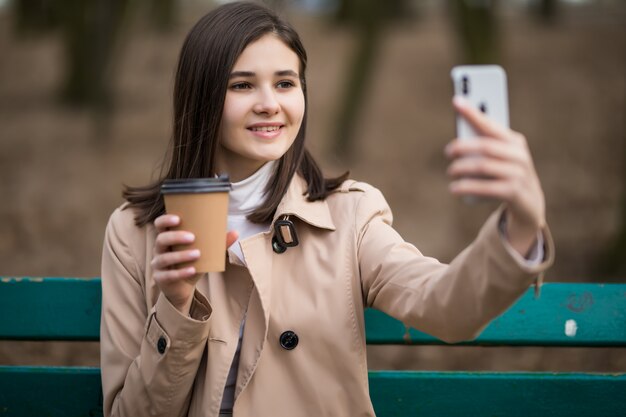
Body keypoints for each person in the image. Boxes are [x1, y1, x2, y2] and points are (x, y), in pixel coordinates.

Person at [99, 2, 554, 417]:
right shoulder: (134, 232)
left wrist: (522, 225)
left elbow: (447, 306)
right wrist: (176, 306)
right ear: (201, 99)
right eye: (242, 85)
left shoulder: (349, 216)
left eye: (285, 82)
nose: (269, 104)